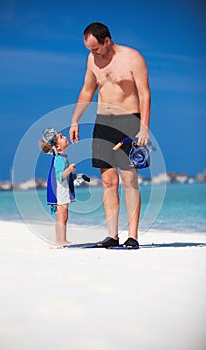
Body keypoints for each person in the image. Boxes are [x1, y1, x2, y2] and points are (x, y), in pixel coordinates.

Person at [69, 22, 151, 249]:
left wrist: (144, 127)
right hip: (102, 121)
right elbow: (87, 89)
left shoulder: (133, 58)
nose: (92, 54)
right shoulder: (91, 60)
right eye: (89, 49)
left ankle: (132, 236)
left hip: (128, 121)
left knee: (129, 180)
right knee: (108, 180)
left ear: (107, 41)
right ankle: (112, 235)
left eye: (96, 49)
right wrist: (75, 119)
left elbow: (144, 94)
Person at [40, 128, 76, 247]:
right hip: (60, 192)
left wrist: (73, 175)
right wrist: (69, 169)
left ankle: (62, 239)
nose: (65, 138)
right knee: (62, 216)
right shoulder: (59, 159)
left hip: (62, 191)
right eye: (61, 137)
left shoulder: (62, 157)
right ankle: (60, 240)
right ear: (58, 147)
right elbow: (60, 176)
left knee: (63, 216)